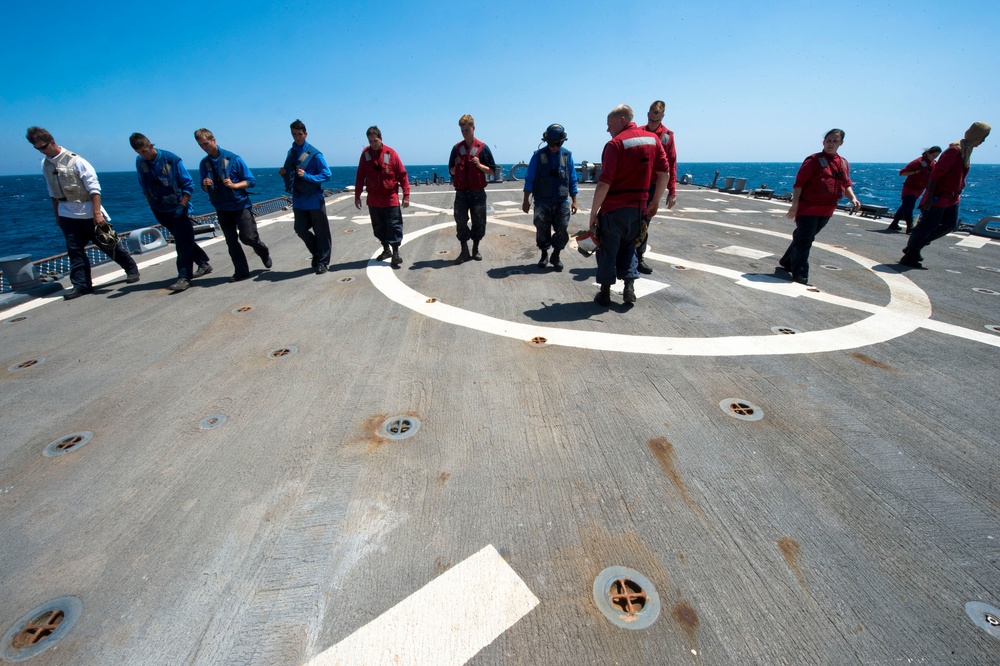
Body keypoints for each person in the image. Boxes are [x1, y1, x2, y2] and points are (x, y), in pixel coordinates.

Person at [26, 126, 140, 300]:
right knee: (74, 251)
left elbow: (94, 190)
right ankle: (82, 285)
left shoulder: (77, 162)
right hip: (67, 214)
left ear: (51, 142)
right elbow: (52, 192)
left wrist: (97, 214)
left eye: (42, 147)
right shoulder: (45, 165)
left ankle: (131, 269)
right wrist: (57, 216)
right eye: (37, 149)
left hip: (88, 212)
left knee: (107, 244)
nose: (41, 152)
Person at [588, 105, 670, 307]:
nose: (608, 130)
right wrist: (655, 201)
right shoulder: (653, 140)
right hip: (638, 209)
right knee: (630, 248)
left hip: (614, 209)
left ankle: (605, 293)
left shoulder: (615, 144)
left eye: (609, 125)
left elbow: (604, 182)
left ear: (622, 120)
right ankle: (629, 288)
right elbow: (664, 173)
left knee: (607, 249)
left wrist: (593, 214)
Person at [901, 122, 991, 269]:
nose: (983, 141)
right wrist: (929, 198)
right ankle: (911, 252)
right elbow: (935, 176)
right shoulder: (954, 151)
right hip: (939, 196)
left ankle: (914, 247)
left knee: (949, 225)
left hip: (953, 197)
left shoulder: (966, 151)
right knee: (927, 226)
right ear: (977, 135)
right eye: (983, 137)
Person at [130, 133, 212, 292]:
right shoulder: (140, 162)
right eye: (140, 152)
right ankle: (203, 263)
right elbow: (143, 186)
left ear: (151, 145)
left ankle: (184, 277)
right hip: (159, 209)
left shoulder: (172, 160)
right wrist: (151, 204)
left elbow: (188, 185)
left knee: (182, 244)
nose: (143, 155)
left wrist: (182, 206)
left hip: (177, 208)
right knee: (184, 240)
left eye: (145, 151)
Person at [779, 129, 861, 285]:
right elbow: (799, 184)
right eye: (828, 140)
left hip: (826, 210)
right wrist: (794, 207)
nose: (831, 143)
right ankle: (800, 274)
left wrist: (853, 199)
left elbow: (846, 184)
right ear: (823, 142)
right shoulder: (813, 161)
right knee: (805, 240)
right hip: (808, 209)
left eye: (835, 141)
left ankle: (788, 261)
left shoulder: (843, 163)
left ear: (841, 143)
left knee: (803, 237)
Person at [195, 128, 271, 282]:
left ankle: (262, 250)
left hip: (240, 205)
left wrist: (235, 186)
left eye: (206, 143)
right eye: (201, 145)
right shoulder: (204, 164)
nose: (205, 147)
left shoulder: (234, 159)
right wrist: (205, 184)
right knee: (231, 241)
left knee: (248, 237)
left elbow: (251, 181)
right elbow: (204, 188)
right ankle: (241, 271)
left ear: (213, 140)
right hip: (221, 207)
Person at [521, 124, 578, 271]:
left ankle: (556, 255)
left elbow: (572, 178)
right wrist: (526, 200)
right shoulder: (538, 156)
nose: (554, 146)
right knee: (542, 229)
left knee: (562, 229)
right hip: (542, 201)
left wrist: (575, 200)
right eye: (551, 143)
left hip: (561, 201)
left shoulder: (567, 156)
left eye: (557, 143)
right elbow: (530, 178)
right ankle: (544, 254)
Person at [279, 119, 332, 274]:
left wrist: (308, 176)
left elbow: (327, 174)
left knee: (321, 232)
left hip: (314, 199)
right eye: (294, 134)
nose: (297, 137)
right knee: (300, 229)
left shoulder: (314, 154)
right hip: (298, 199)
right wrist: (284, 174)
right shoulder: (291, 153)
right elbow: (291, 173)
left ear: (305, 134)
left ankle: (323, 261)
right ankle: (317, 253)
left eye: (300, 134)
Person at [354, 126, 410, 267]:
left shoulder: (391, 154)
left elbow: (402, 175)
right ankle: (386, 249)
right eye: (370, 141)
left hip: (389, 198)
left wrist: (406, 195)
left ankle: (395, 252)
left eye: (375, 140)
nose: (373, 143)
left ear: (381, 139)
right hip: (373, 200)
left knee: (394, 225)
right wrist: (357, 195)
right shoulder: (365, 155)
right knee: (379, 227)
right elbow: (360, 176)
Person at [637, 100, 678, 274]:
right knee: (629, 219)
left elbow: (672, 163)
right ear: (647, 115)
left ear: (662, 117)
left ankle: (639, 258)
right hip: (637, 183)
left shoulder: (667, 136)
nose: (653, 124)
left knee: (644, 223)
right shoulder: (638, 132)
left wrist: (672, 191)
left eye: (657, 121)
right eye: (651, 120)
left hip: (654, 186)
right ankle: (626, 256)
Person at [448, 114, 496, 263]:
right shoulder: (456, 149)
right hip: (462, 193)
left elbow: (492, 170)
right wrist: (456, 165)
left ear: (473, 128)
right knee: (460, 221)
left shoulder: (483, 148)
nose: (465, 133)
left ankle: (475, 248)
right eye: (462, 130)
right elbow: (451, 171)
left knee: (479, 222)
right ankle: (464, 250)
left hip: (477, 193)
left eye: (467, 130)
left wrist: (479, 165)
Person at [887, 146, 942, 233]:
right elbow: (902, 173)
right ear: (928, 153)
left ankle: (894, 223)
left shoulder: (933, 164)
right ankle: (910, 226)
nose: (934, 157)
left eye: (936, 156)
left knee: (905, 206)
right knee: (909, 206)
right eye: (933, 155)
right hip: (910, 188)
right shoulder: (917, 162)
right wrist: (915, 172)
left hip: (919, 190)